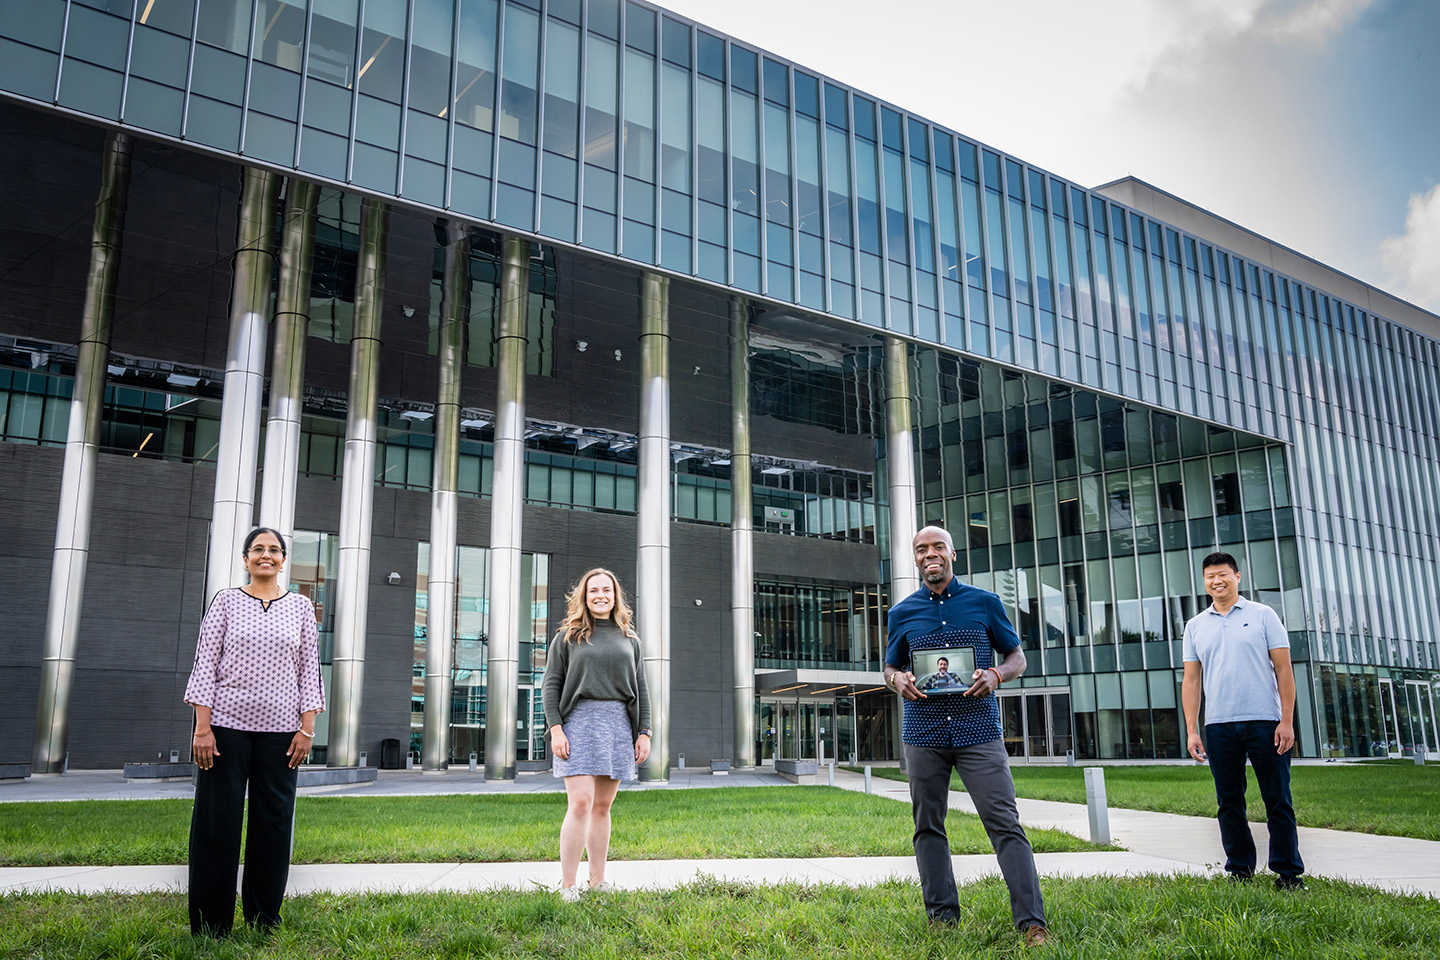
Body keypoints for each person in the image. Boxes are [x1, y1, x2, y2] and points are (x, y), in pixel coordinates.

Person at [885, 525, 1050, 947]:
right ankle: (942, 917)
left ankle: (1032, 924)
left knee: (1005, 824)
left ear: (952, 553)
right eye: (921, 549)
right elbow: (889, 668)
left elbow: (1017, 656)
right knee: (928, 826)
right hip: (923, 732)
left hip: (979, 730)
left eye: (938, 546)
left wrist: (996, 673)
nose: (930, 554)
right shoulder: (902, 613)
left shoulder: (985, 603)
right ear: (916, 558)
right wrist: (897, 680)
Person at [184, 526, 325, 936]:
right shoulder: (226, 601)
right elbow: (205, 664)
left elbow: (309, 672)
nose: (266, 555)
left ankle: (264, 918)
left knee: (274, 822)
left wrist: (307, 729)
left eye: (274, 550)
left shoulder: (300, 607)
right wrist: (202, 729)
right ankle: (211, 926)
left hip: (283, 734)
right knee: (217, 823)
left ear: (283, 560)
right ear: (245, 559)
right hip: (225, 730)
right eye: (258, 549)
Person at [1182, 551, 1304, 889]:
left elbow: (1284, 670)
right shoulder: (1195, 626)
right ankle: (1240, 870)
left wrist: (1286, 720)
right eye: (1210, 576)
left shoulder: (1264, 615)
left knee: (1277, 799)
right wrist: (1192, 730)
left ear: (1237, 577)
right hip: (1219, 726)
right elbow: (1191, 681)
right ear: (1204, 581)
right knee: (1229, 802)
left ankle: (1288, 873)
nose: (1216, 581)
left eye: (1223, 574)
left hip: (1266, 721)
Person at [542, 567, 652, 901]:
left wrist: (644, 732)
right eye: (593, 591)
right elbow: (551, 684)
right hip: (578, 721)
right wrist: (556, 729)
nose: (600, 595)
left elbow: (641, 689)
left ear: (616, 596)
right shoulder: (568, 636)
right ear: (584, 597)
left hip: (618, 723)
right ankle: (568, 886)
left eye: (607, 590)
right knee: (580, 803)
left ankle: (598, 880)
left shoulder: (629, 639)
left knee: (602, 806)